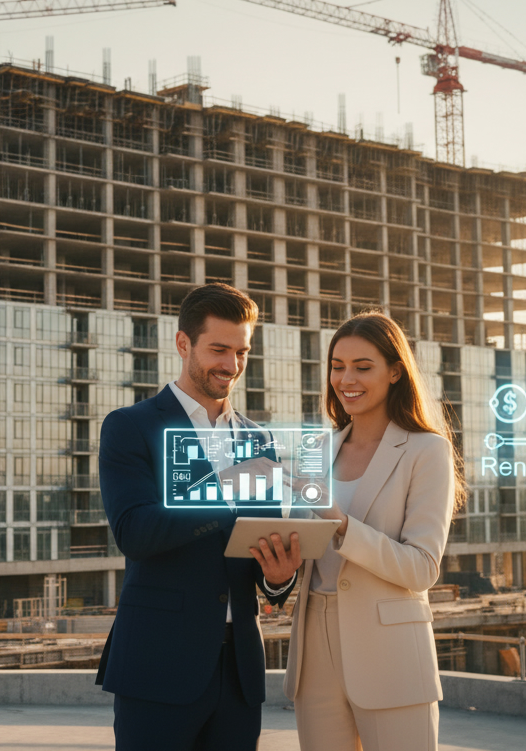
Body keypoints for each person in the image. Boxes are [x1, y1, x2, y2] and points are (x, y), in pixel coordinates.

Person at [96, 283, 302, 751]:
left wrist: (277, 576)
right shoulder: (131, 426)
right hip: (157, 666)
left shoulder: (260, 440)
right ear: (183, 344)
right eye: (219, 349)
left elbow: (257, 553)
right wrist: (227, 482)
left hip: (239, 673)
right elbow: (136, 532)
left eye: (241, 351)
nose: (231, 365)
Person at [283, 312, 462, 751]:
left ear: (395, 371)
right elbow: (306, 555)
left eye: (363, 367)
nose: (347, 379)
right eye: (338, 366)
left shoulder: (427, 450)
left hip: (392, 654)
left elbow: (421, 568)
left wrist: (340, 522)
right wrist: (278, 565)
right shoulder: (316, 450)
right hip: (314, 650)